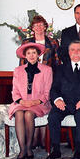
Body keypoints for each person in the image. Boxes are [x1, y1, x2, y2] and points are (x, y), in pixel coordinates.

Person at [47, 41, 80, 159]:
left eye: (79, 50)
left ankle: (78, 150)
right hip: (64, 103)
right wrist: (58, 100)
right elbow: (54, 89)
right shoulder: (60, 68)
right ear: (69, 53)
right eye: (73, 50)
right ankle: (56, 150)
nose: (76, 53)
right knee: (53, 116)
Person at [20, 15, 60, 149]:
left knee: (43, 105)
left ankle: (42, 140)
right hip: (30, 81)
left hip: (49, 79)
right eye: (35, 25)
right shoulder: (26, 42)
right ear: (32, 28)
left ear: (45, 27)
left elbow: (57, 62)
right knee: (31, 106)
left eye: (41, 25)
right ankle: (33, 140)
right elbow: (21, 65)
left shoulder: (53, 42)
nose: (38, 27)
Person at [8, 43, 53, 159]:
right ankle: (22, 149)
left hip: (39, 103)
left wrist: (34, 102)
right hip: (21, 101)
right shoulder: (18, 70)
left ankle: (29, 147)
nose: (31, 55)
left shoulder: (47, 70)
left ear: (38, 55)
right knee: (19, 113)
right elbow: (15, 91)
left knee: (28, 114)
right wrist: (21, 101)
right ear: (25, 56)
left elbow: (47, 92)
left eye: (34, 52)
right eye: (28, 53)